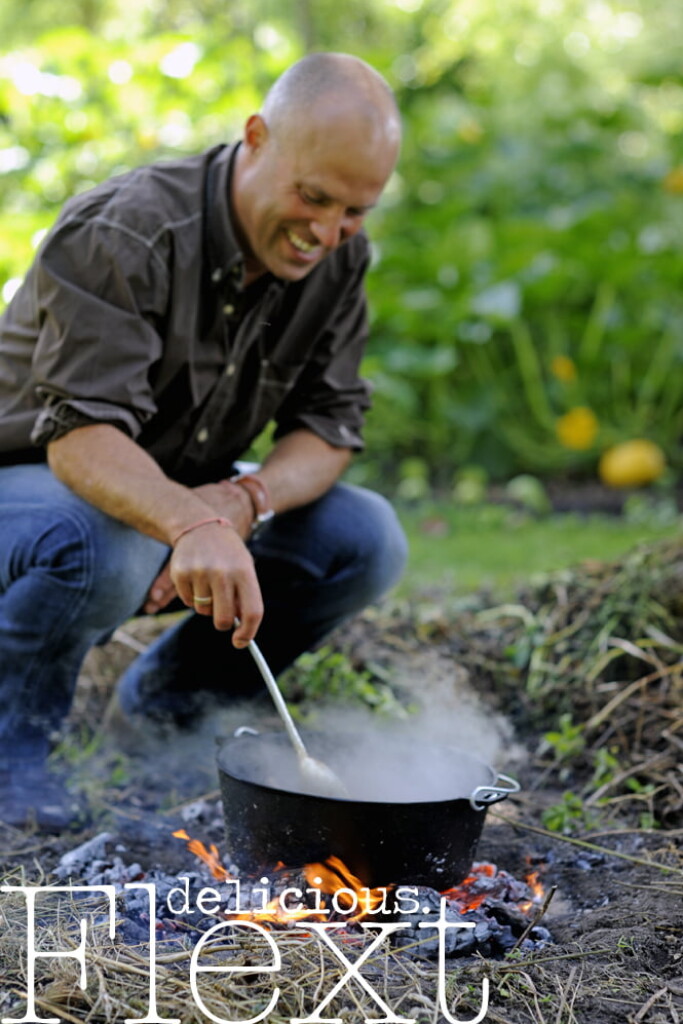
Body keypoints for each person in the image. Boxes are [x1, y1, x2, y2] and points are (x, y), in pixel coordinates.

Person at [0, 53, 407, 831]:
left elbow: (326, 431)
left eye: (354, 212)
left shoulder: (337, 260)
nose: (326, 233)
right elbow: (80, 443)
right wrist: (189, 523)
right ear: (256, 138)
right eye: (312, 198)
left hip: (164, 498)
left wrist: (242, 498)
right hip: (28, 497)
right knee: (102, 543)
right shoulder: (126, 231)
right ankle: (14, 750)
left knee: (364, 537)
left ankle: (163, 712)